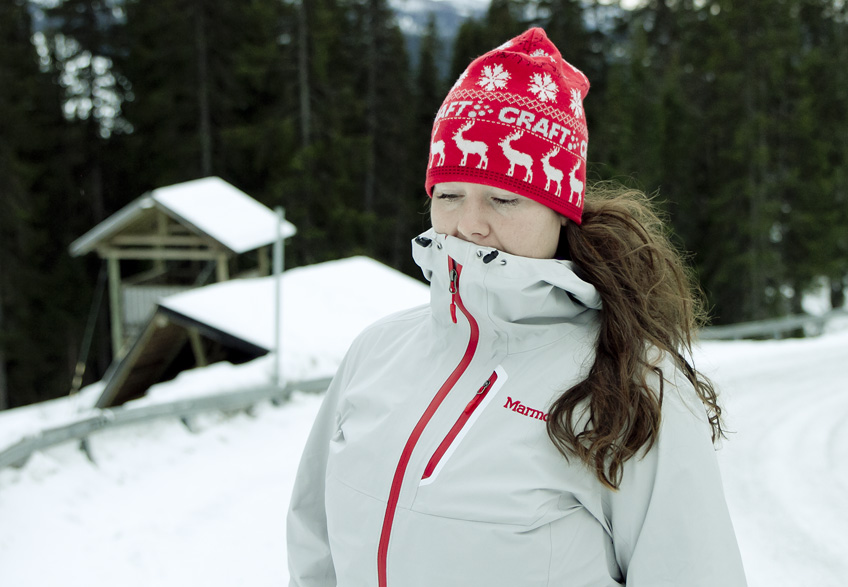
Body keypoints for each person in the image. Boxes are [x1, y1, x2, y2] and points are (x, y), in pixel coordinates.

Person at [287, 27, 746, 586]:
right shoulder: (377, 352)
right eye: (448, 195)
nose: (469, 226)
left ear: (561, 211)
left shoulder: (632, 385)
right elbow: (315, 541)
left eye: (503, 199)